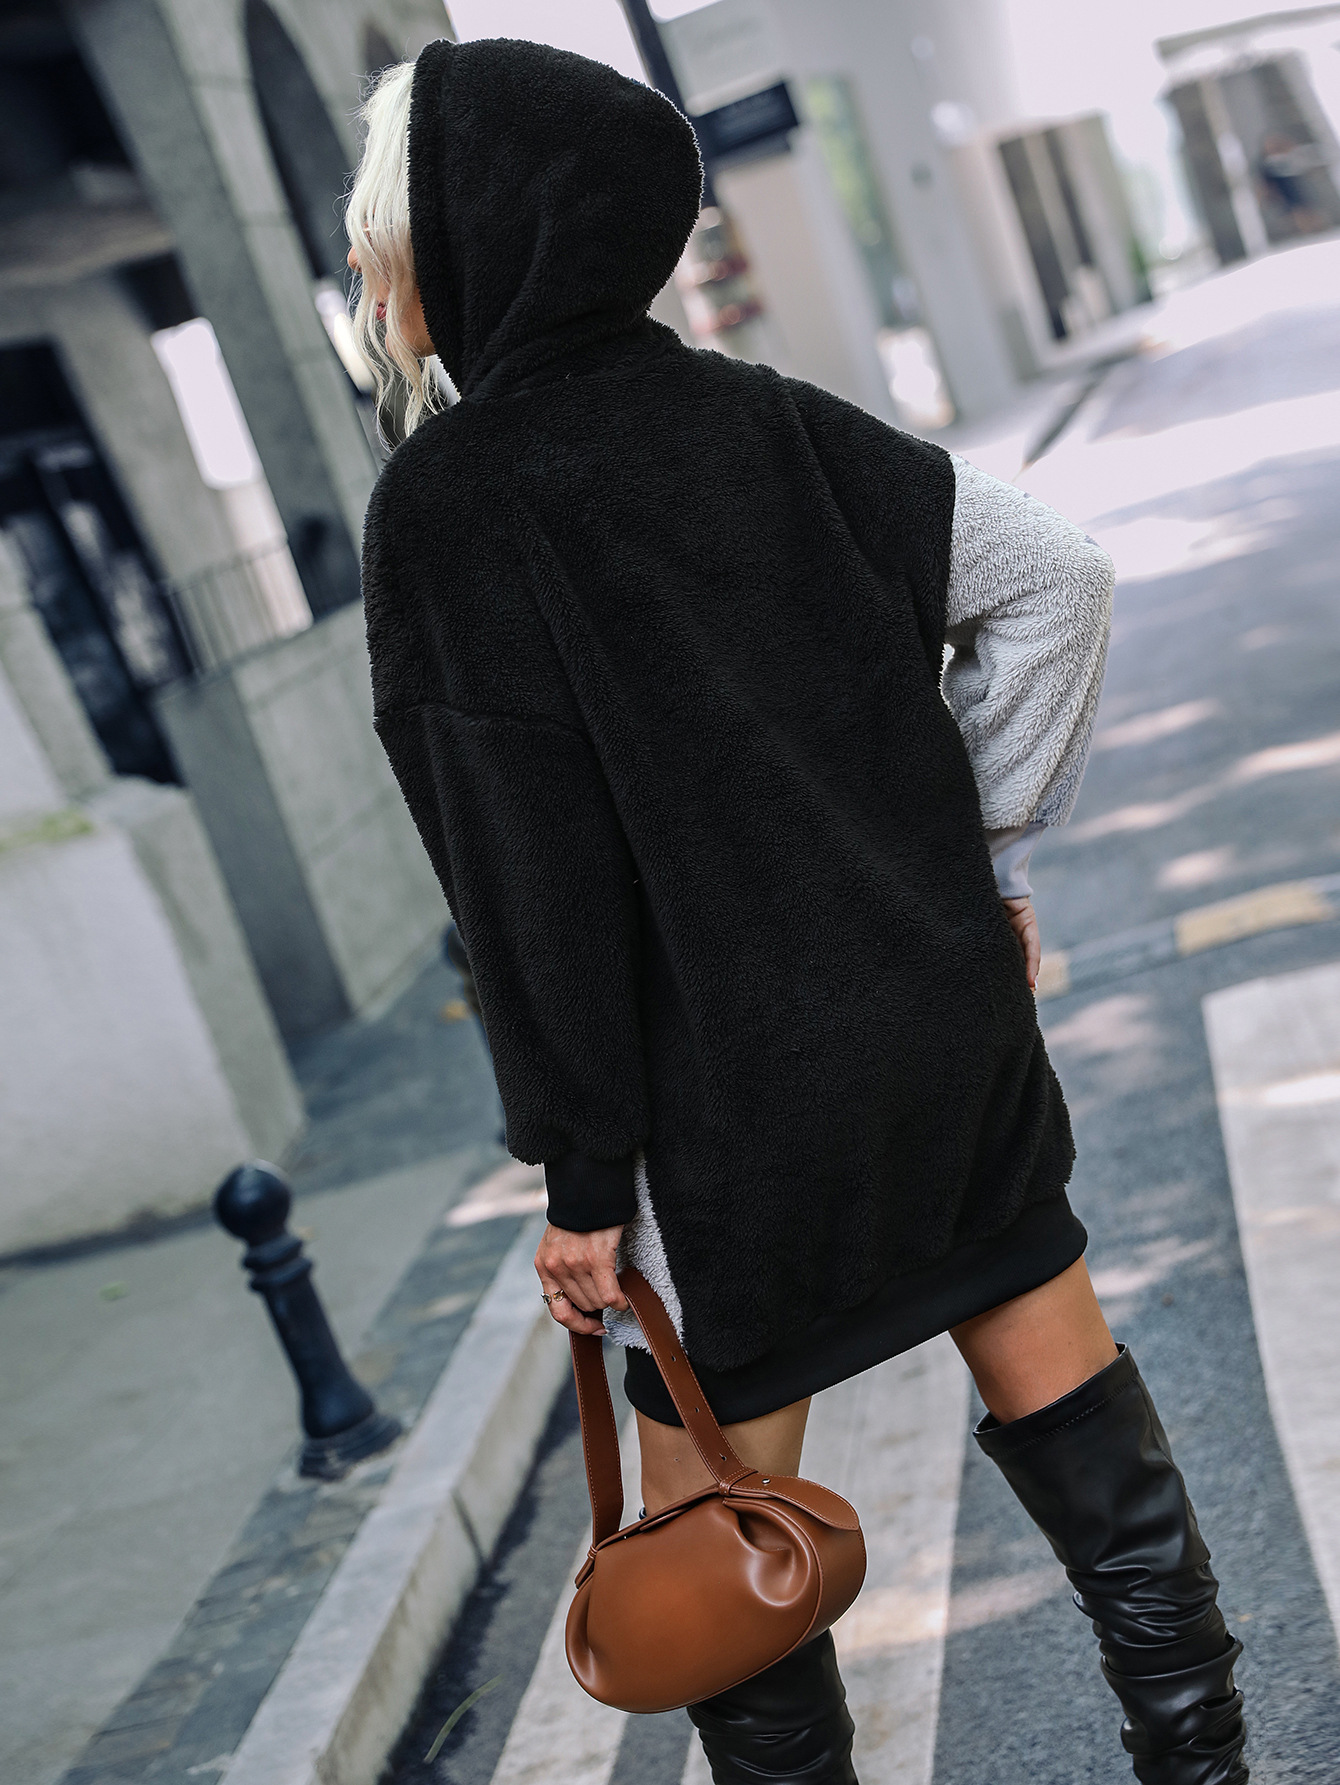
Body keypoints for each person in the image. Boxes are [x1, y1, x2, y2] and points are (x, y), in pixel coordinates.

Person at [346, 39, 1248, 1785]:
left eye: (391, 245)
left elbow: (526, 877)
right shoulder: (766, 416)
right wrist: (969, 850)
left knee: (721, 1560)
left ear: (471, 240)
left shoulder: (448, 505)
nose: (382, 285)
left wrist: (581, 1180)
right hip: (935, 1033)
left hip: (722, 1121)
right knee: (1087, 1438)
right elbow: (1058, 579)